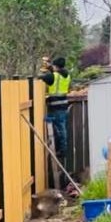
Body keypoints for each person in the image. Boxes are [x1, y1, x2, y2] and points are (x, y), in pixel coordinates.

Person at [40, 55, 72, 187]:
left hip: (56, 106)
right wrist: (50, 68)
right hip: (63, 104)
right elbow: (54, 76)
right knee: (61, 127)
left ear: (55, 66)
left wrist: (45, 70)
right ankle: (62, 148)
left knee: (60, 129)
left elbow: (43, 78)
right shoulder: (66, 75)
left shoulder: (54, 76)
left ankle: (62, 150)